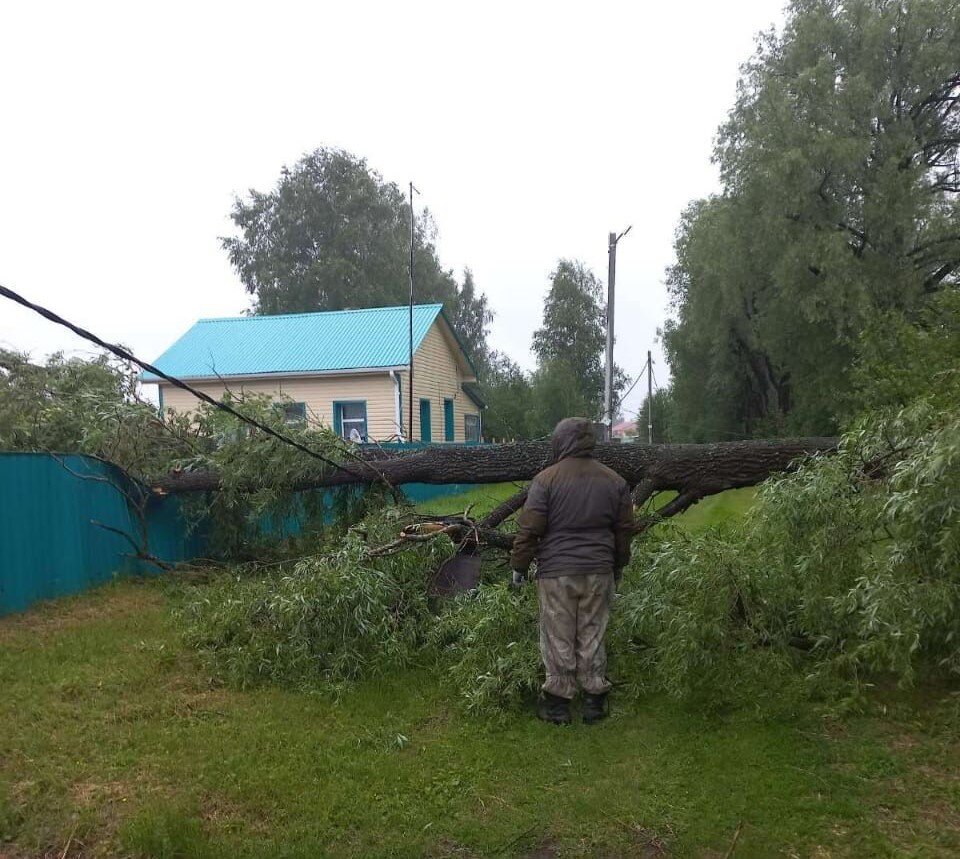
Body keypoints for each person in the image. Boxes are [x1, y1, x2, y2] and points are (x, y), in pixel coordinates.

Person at [509, 417, 634, 725]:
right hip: (598, 570)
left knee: (558, 636)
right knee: (593, 633)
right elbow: (624, 530)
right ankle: (594, 703)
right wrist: (618, 565)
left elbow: (530, 529)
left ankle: (558, 706)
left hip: (557, 572)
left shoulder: (546, 480)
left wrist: (519, 567)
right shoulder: (614, 481)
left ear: (560, 441)